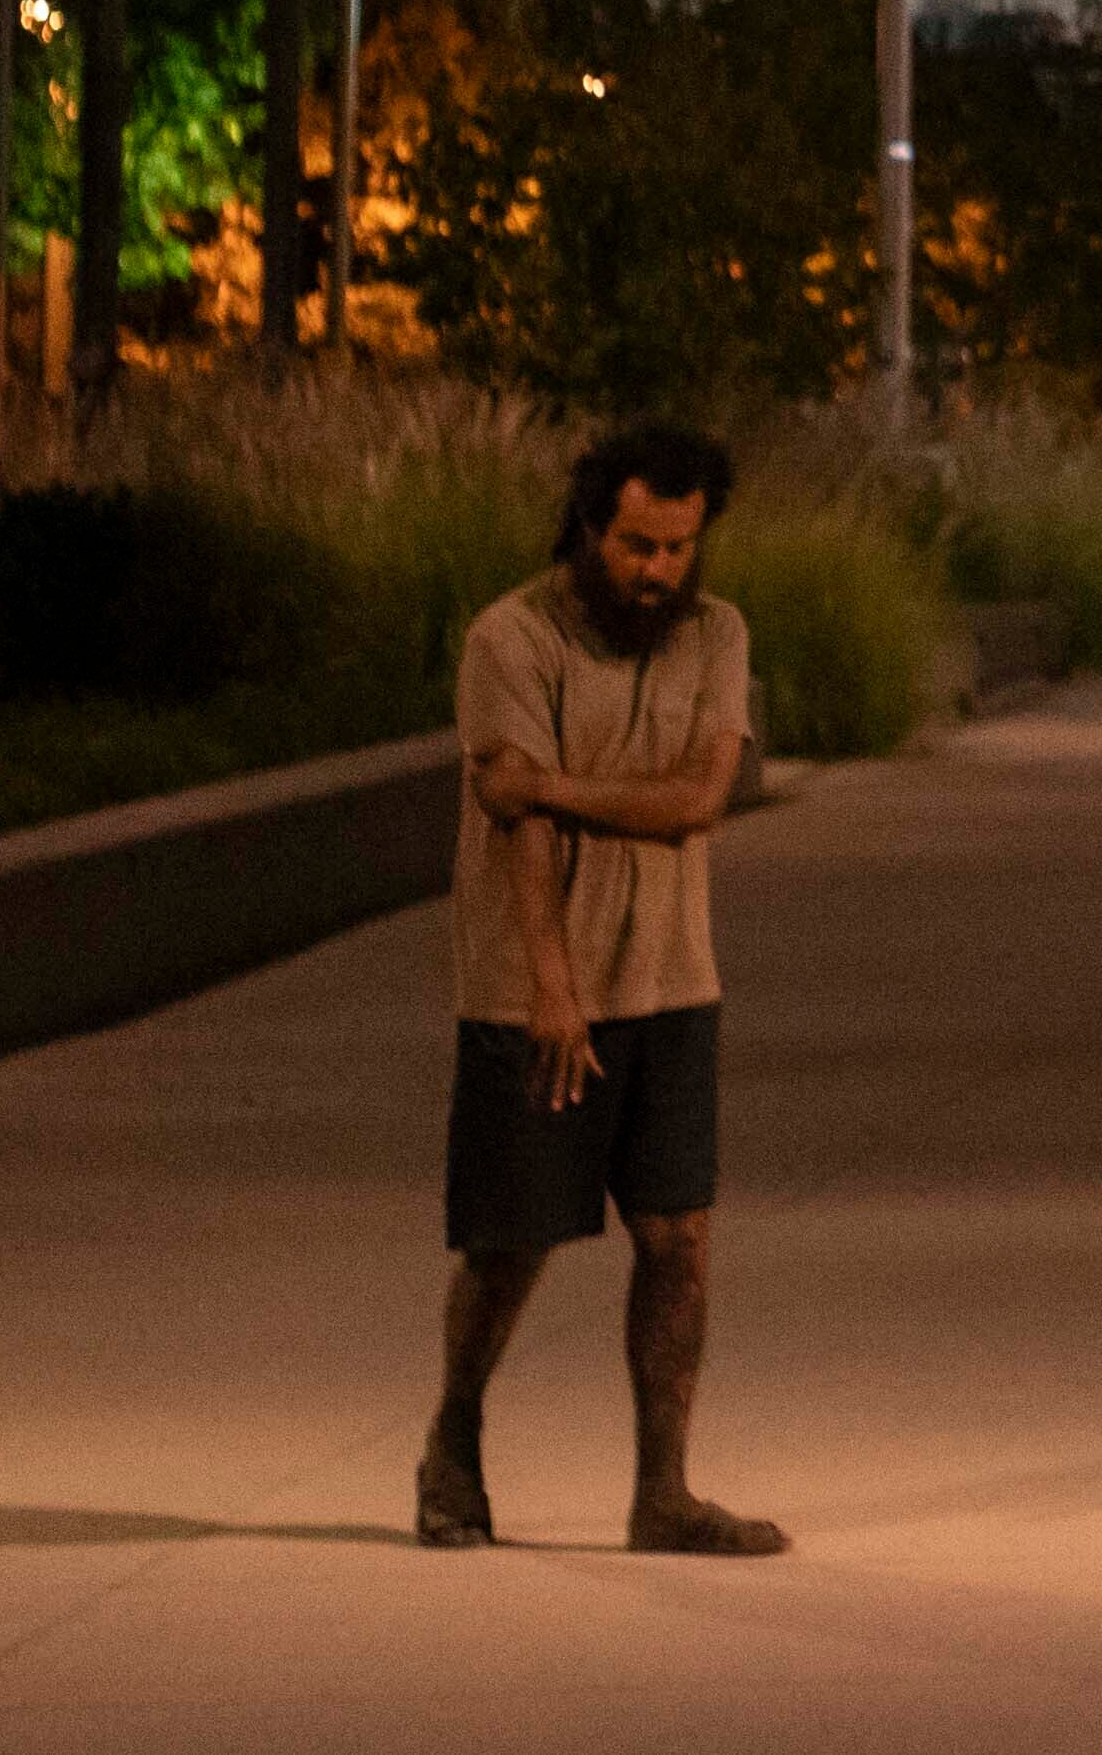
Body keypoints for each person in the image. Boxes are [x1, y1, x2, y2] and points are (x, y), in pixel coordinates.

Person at [425, 422, 782, 1555]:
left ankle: (663, 1492)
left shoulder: (715, 636)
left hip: (674, 979)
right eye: (637, 544)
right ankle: (453, 1446)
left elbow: (697, 801)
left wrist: (560, 783)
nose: (658, 570)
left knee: (678, 1236)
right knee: (510, 1242)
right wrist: (551, 986)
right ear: (591, 526)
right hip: (534, 990)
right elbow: (512, 820)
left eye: (679, 547)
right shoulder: (510, 638)